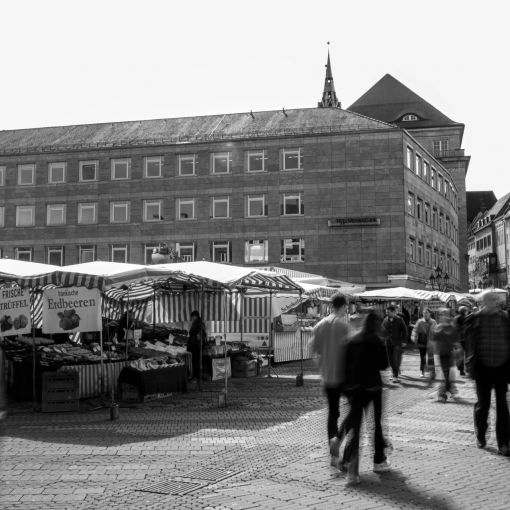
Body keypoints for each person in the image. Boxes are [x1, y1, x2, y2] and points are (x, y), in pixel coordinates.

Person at [339, 310, 391, 484]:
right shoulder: (377, 340)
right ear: (376, 324)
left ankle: (351, 471)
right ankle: (379, 461)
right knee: (375, 425)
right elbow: (384, 365)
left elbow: (344, 366)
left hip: (355, 389)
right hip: (373, 388)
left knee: (356, 428)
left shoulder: (352, 340)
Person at [465, 291, 510, 456]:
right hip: (482, 369)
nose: (493, 302)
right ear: (483, 302)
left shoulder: (505, 318)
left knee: (502, 407)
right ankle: (481, 434)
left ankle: (504, 443)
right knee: (483, 405)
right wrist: (468, 364)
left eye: (495, 300)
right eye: (489, 299)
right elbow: (468, 344)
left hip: (502, 368)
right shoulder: (475, 319)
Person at [310, 293, 351, 467]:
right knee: (355, 409)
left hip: (327, 376)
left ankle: (333, 453)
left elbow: (313, 352)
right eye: (347, 306)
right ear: (343, 306)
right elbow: (352, 351)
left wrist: (322, 367)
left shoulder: (319, 325)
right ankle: (340, 439)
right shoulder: (344, 325)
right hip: (344, 376)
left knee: (333, 413)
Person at [433, 309, 459, 401]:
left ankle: (448, 391)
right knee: (443, 374)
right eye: (441, 314)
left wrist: (458, 353)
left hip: (450, 354)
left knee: (449, 374)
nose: (443, 316)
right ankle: (443, 393)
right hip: (440, 354)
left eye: (445, 314)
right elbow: (434, 342)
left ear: (448, 316)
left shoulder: (452, 328)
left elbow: (456, 343)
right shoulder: (438, 327)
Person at [381, 305, 408, 383]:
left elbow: (405, 330)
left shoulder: (400, 319)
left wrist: (404, 341)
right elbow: (382, 330)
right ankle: (394, 374)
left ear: (393, 312)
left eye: (388, 312)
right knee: (390, 360)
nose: (387, 314)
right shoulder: (385, 320)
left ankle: (395, 376)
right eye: (386, 312)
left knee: (394, 359)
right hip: (388, 343)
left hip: (397, 343)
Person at [410, 308, 437, 378]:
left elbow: (436, 332)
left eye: (426, 313)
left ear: (430, 314)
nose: (425, 314)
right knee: (423, 357)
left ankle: (432, 372)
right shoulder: (419, 321)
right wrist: (414, 338)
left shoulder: (433, 322)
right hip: (422, 341)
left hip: (431, 342)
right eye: (424, 313)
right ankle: (422, 371)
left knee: (431, 358)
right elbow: (415, 330)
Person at [188, 310, 207, 384]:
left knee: (196, 362)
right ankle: (196, 377)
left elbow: (198, 335)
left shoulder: (198, 323)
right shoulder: (199, 323)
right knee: (196, 361)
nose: (191, 318)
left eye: (192, 317)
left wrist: (195, 342)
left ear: (195, 316)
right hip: (197, 345)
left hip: (196, 345)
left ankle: (196, 377)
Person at [454, 306, 469, 376]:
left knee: (460, 355)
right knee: (466, 354)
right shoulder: (466, 318)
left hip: (457, 339)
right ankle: (466, 369)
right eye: (465, 311)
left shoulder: (455, 318)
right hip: (464, 338)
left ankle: (461, 370)